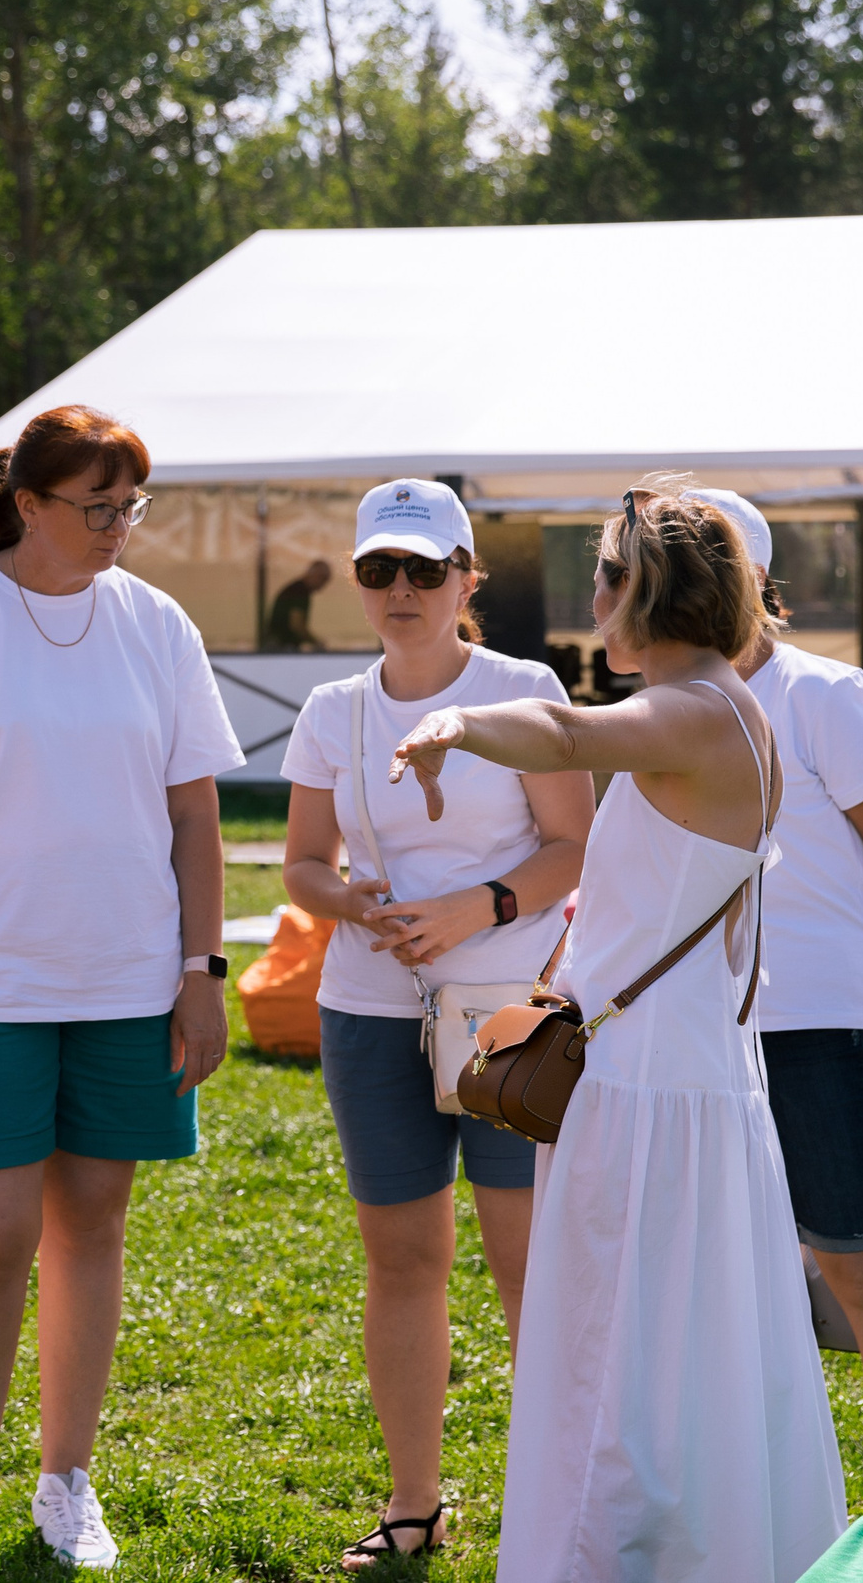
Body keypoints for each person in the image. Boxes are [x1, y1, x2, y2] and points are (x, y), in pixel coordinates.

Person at [390, 488, 846, 1582]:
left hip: (651, 1094)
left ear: (646, 589)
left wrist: (453, 721)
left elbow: (564, 733)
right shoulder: (722, 705)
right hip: (670, 1077)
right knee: (677, 1355)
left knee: (622, 1357)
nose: (591, 599)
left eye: (602, 575)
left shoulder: (698, 710)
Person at [0, 405, 245, 1574]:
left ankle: (67, 1478)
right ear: (27, 503)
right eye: (97, 506)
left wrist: (201, 973)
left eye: (132, 506)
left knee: (93, 1221)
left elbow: (194, 815)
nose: (120, 527)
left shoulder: (157, 623)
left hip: (130, 981)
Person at [279, 478, 594, 1570]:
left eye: (424, 569)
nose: (400, 589)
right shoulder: (332, 709)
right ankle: (414, 1505)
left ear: (468, 578)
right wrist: (351, 902)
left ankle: (566, 1500)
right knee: (402, 1259)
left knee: (526, 1262)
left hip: (507, 1013)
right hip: (371, 1011)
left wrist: (477, 906)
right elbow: (303, 865)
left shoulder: (522, 688)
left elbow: (573, 847)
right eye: (379, 569)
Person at [695, 488, 863, 1487]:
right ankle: (759, 1504)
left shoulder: (826, 694)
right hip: (705, 1033)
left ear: (752, 583)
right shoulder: (666, 705)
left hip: (818, 1026)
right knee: (731, 1285)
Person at [264, 559, 333, 650]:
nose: (323, 585)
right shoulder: (300, 592)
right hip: (282, 645)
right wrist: (316, 642)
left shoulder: (297, 589)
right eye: (323, 579)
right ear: (316, 575)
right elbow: (296, 624)